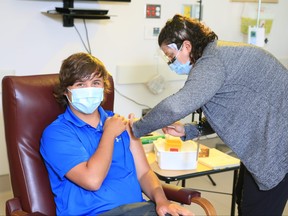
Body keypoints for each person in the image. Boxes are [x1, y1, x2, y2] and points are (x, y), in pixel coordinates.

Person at [130, 14, 288, 216]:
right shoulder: (220, 54)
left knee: (254, 208)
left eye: (170, 56)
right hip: (267, 143)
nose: (171, 63)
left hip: (276, 147)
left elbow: (175, 107)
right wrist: (188, 130)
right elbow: (232, 113)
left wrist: (135, 129)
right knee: (244, 198)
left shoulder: (212, 62)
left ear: (186, 46)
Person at [40, 52, 193, 216]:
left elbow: (144, 173)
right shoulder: (56, 134)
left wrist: (162, 201)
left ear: (104, 87)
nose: (89, 90)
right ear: (66, 90)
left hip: (138, 210)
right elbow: (92, 181)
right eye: (80, 85)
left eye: (96, 82)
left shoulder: (119, 123)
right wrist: (109, 134)